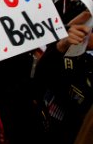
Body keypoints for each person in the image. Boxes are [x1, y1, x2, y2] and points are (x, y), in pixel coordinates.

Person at [34, 10, 93, 144]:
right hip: (41, 128)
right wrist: (61, 46)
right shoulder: (69, 53)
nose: (87, 32)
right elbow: (42, 74)